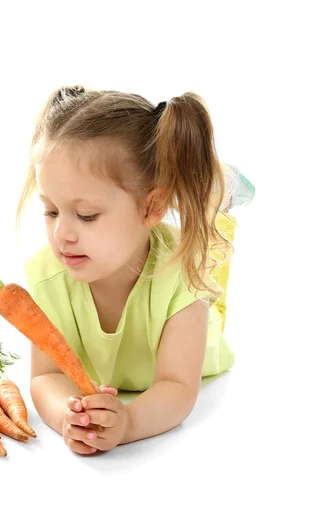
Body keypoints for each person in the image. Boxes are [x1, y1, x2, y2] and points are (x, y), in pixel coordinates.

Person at [15, 85, 255, 455]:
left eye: (86, 215)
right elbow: (46, 376)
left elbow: (177, 386)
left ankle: (218, 196)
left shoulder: (182, 275)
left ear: (151, 208)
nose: (62, 233)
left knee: (211, 247)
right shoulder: (48, 277)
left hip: (197, 322)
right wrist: (69, 417)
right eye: (51, 211)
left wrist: (128, 423)